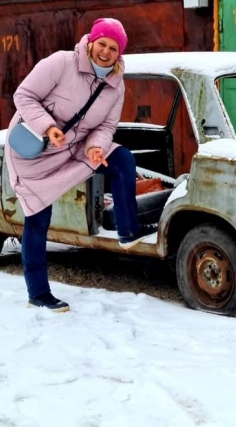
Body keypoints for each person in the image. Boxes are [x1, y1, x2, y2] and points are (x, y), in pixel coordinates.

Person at [5, 18, 156, 313]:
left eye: (113, 48)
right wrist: (48, 127)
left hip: (74, 148)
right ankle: (38, 293)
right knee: (37, 219)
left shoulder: (115, 85)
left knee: (121, 157)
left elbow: (106, 126)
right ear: (90, 42)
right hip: (33, 150)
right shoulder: (61, 63)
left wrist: (97, 147)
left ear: (119, 54)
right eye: (102, 43)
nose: (105, 51)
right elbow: (23, 96)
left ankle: (128, 229)